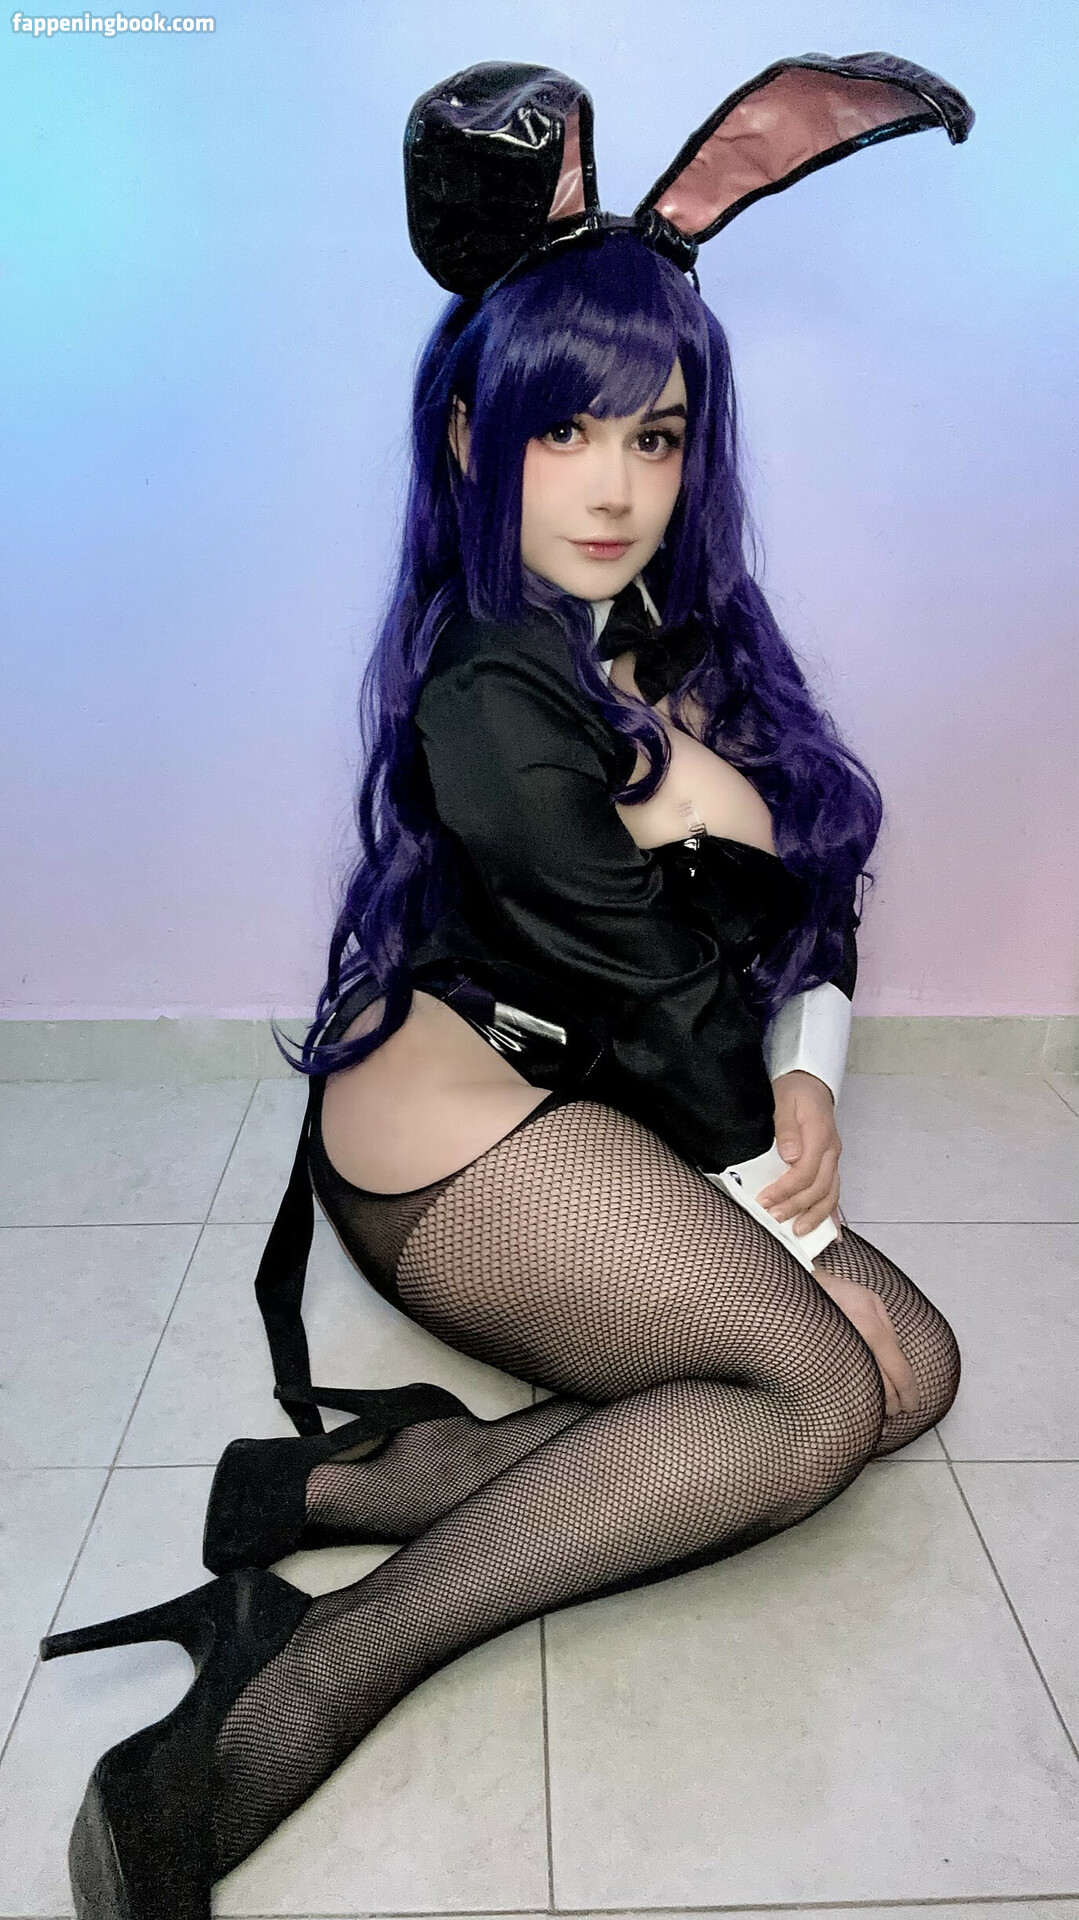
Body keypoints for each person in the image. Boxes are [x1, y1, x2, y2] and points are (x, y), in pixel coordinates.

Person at [41, 54, 972, 1918]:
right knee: (820, 1401)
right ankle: (297, 1675)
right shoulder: (490, 687)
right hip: (454, 1141)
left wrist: (814, 1071)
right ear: (475, 437)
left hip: (623, 1083)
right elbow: (662, 996)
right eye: (566, 434)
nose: (616, 488)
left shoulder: (679, 627)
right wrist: (786, 1206)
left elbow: (813, 895)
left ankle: (339, 1487)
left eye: (657, 436)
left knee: (916, 1369)